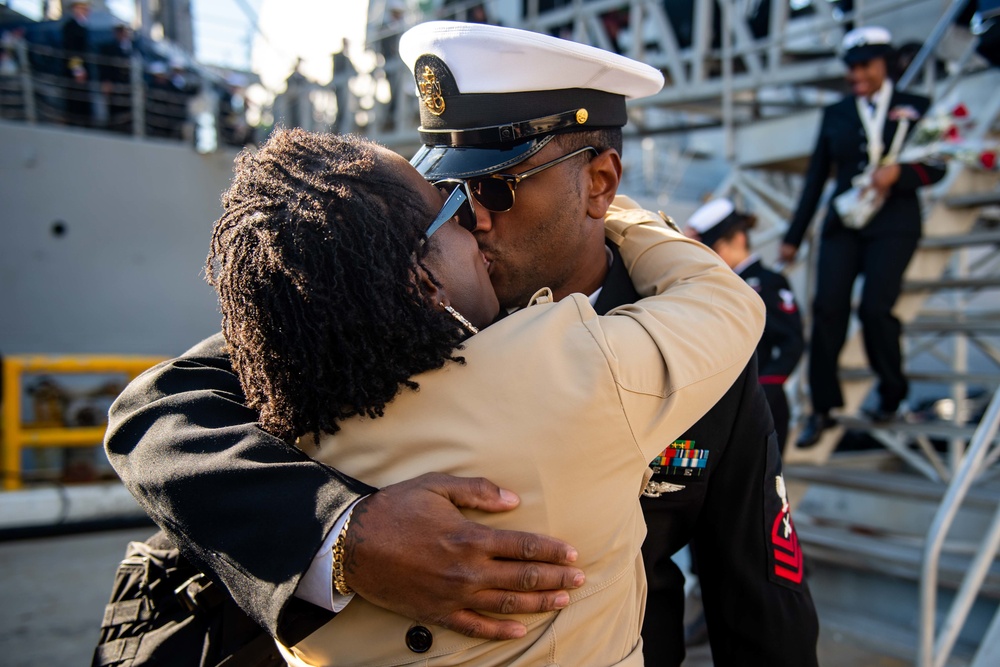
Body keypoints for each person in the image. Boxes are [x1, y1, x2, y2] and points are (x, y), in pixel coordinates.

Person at [105, 20, 819, 666]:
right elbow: (158, 410)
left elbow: (758, 593)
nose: (471, 217)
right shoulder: (408, 297)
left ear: (600, 182)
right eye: (451, 186)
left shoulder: (687, 346)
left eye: (500, 187)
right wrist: (344, 533)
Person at [208, 127, 764, 665]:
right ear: (423, 281)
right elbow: (724, 302)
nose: (475, 221)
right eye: (451, 209)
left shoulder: (275, 405)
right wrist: (616, 212)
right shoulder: (573, 367)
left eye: (493, 189)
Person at [780, 26, 947, 447]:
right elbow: (816, 179)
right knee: (827, 310)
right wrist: (794, 236)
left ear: (885, 65)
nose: (855, 74)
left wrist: (902, 174)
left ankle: (892, 391)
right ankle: (823, 407)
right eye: (850, 67)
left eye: (864, 66)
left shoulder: (916, 106)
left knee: (875, 309)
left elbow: (939, 164)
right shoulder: (836, 113)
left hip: (894, 223)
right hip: (844, 222)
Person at [685, 198, 805, 450]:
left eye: (714, 247)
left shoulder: (767, 283)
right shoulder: (712, 285)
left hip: (757, 405)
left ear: (739, 238)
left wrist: (763, 389)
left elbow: (792, 342)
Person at [61, 0, 92, 127]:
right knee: (76, 100)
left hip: (81, 69)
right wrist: (78, 70)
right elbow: (72, 51)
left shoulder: (82, 26)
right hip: (75, 71)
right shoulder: (71, 27)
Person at [98, 24, 134, 134]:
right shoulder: (108, 48)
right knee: (114, 109)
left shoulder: (131, 49)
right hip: (114, 85)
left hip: (128, 87)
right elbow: (104, 67)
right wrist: (106, 81)